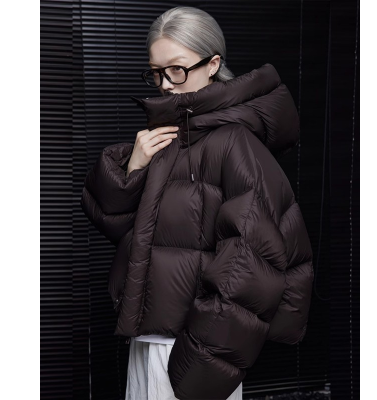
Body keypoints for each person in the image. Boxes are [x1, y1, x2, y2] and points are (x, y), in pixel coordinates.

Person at [80, 5, 314, 400]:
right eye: (156, 72)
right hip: (149, 340)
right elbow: (122, 231)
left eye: (177, 69)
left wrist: (202, 357)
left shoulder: (233, 141)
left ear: (213, 64)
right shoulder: (171, 137)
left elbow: (253, 259)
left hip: (189, 351)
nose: (166, 85)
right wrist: (132, 169)